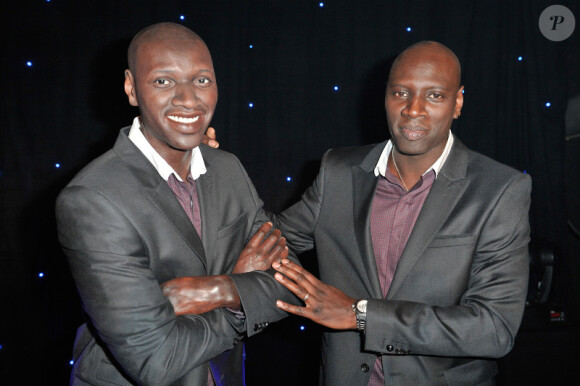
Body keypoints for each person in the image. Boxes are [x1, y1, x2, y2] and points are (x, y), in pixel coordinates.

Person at [268, 41, 531, 385]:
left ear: (458, 102)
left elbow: (493, 329)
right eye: (401, 93)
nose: (413, 109)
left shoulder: (499, 189)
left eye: (434, 95)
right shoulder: (339, 171)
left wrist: (360, 316)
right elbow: (269, 238)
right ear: (386, 97)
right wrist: (207, 167)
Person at [56, 22, 297, 386]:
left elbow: (290, 279)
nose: (188, 99)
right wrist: (240, 295)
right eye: (163, 81)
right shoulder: (92, 198)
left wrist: (216, 290)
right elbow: (156, 361)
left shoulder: (227, 168)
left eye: (201, 80)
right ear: (130, 88)